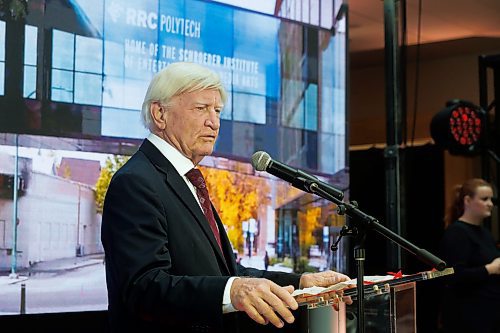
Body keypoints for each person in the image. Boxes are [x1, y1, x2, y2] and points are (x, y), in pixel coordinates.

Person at [101, 62, 351, 333]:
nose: (214, 122)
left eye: (217, 110)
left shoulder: (186, 180)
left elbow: (229, 272)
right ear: (160, 114)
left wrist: (303, 281)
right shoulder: (136, 182)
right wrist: (231, 290)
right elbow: (145, 287)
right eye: (201, 109)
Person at [439, 178, 500, 333]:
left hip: (489, 314)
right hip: (468, 318)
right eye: (484, 199)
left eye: (491, 199)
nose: (490, 204)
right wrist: (489, 269)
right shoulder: (457, 233)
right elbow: (453, 275)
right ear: (467, 200)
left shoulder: (485, 233)